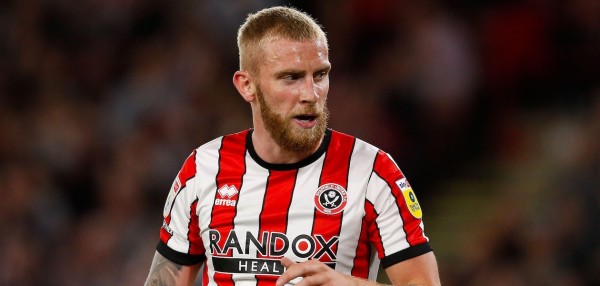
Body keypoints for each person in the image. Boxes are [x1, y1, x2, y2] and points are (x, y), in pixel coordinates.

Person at [145, 6, 441, 286]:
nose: (311, 94)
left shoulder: (372, 171)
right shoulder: (203, 169)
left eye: (320, 75)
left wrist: (349, 284)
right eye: (291, 77)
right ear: (247, 86)